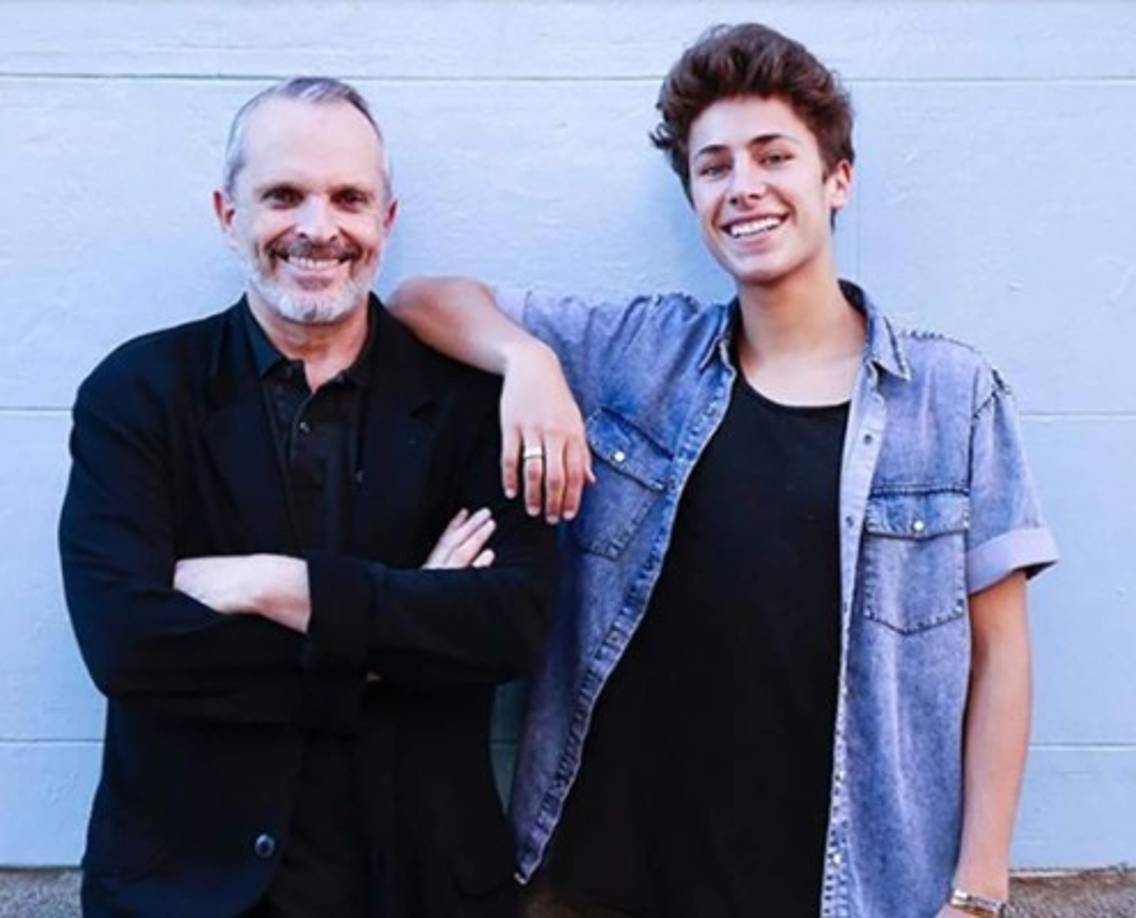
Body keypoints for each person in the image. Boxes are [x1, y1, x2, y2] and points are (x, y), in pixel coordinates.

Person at [389, 23, 1058, 918]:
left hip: (840, 892)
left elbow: (1001, 653)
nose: (744, 187)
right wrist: (528, 361)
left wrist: (978, 892)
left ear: (838, 180)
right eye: (714, 167)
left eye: (774, 156)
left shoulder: (951, 397)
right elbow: (420, 301)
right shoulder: (638, 354)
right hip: (601, 884)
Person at [59, 76, 555, 918]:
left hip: (418, 887)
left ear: (386, 221)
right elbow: (127, 646)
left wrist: (276, 586)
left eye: (349, 198)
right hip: (186, 891)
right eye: (284, 196)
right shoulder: (138, 392)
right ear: (228, 214)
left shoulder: (472, 405)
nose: (319, 228)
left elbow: (510, 627)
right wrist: (395, 635)